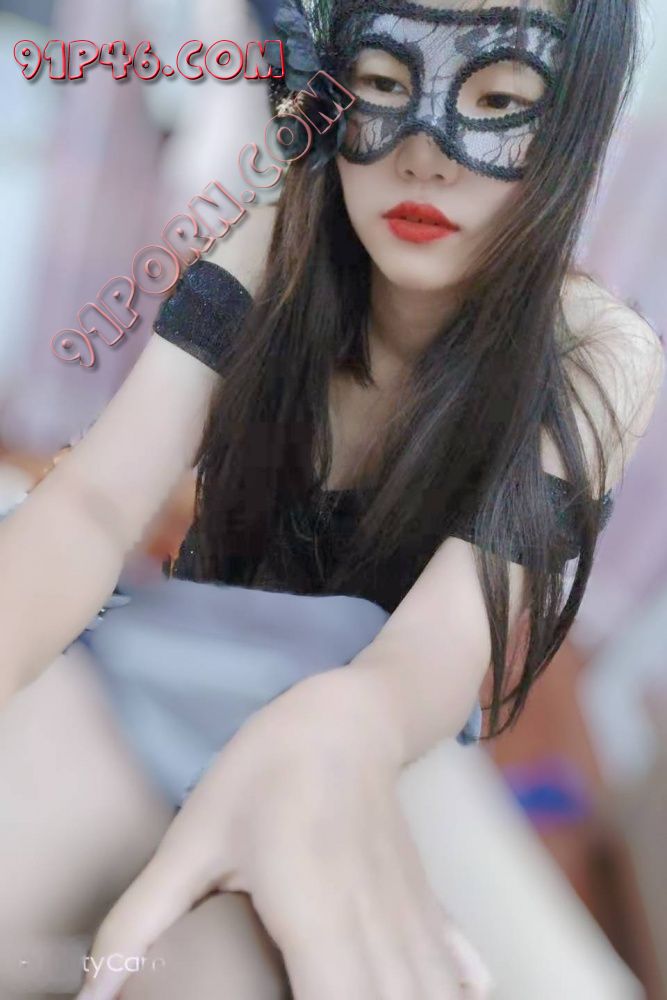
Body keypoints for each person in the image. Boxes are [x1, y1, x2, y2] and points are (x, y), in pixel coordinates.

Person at [0, 0, 664, 997]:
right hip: (160, 675)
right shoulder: (267, 245)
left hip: (383, 752)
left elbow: (444, 640)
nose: (423, 159)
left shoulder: (596, 355)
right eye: (384, 85)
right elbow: (94, 501)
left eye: (497, 102)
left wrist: (346, 728)